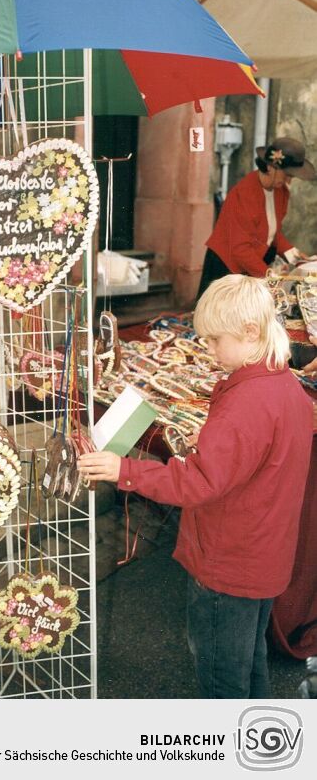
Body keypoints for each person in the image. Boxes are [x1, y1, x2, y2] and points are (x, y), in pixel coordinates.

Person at [78, 275, 313, 698]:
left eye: (213, 340)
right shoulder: (284, 386)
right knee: (249, 662)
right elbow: (251, 467)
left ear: (249, 333)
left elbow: (198, 484)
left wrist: (124, 469)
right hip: (263, 555)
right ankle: (261, 749)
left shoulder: (248, 402)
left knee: (222, 675)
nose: (207, 349)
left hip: (229, 560)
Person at [197, 136, 316, 298]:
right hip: (226, 265)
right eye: (287, 174)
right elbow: (240, 249)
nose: (290, 180)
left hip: (251, 262)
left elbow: (272, 231)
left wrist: (291, 253)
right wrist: (268, 275)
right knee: (216, 317)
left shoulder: (281, 192)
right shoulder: (244, 193)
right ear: (271, 167)